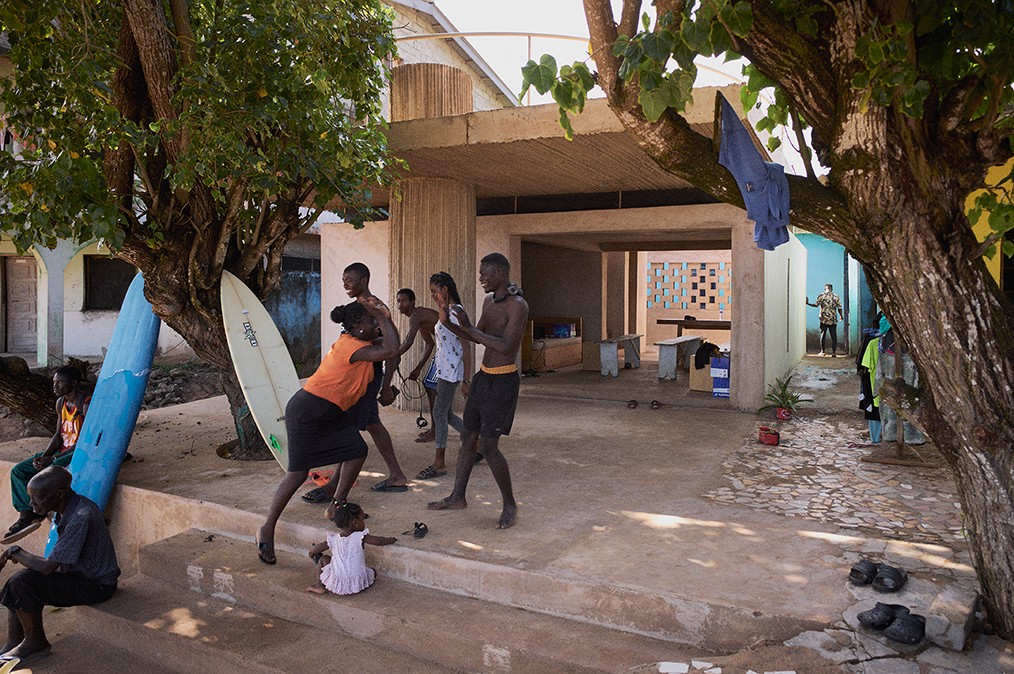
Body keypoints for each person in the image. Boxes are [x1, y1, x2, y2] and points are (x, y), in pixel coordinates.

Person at [256, 295, 400, 565]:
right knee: (297, 473)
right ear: (358, 326)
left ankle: (336, 505)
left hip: (331, 412)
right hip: (306, 412)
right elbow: (391, 350)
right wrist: (383, 316)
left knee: (357, 450)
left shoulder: (365, 343)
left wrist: (382, 316)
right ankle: (267, 527)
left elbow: (395, 346)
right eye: (371, 322)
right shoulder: (352, 347)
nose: (376, 326)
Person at [427, 253, 528, 529]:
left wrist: (469, 327)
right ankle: (457, 496)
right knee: (468, 437)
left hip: (504, 381)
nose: (481, 277)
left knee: (489, 446)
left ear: (500, 272)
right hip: (484, 378)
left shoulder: (518, 305)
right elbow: (474, 336)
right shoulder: (488, 301)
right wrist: (450, 323)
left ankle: (509, 503)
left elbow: (506, 346)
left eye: (485, 273)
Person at [300, 263, 410, 502]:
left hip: (366, 377)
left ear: (364, 280)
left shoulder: (374, 307)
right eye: (343, 279)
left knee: (350, 431)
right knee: (368, 425)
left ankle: (336, 490)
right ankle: (394, 474)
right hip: (358, 376)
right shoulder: (358, 307)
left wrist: (386, 384)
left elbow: (393, 347)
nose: (345, 284)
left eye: (349, 279)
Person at [0, 466, 119, 663]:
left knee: (23, 582)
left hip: (97, 585)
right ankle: (14, 642)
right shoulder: (67, 507)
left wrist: (15, 551)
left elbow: (48, 568)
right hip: (79, 575)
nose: (31, 504)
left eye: (37, 499)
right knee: (17, 582)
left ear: (59, 494)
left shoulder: (80, 516)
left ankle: (35, 643)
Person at [4, 366, 90, 544]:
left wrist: (52, 460)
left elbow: (85, 441)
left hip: (79, 451)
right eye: (54, 382)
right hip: (61, 451)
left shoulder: (85, 403)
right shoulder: (60, 403)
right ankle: (26, 515)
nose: (55, 386)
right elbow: (58, 435)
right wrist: (44, 456)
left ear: (73, 383)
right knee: (19, 471)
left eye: (59, 382)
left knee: (50, 472)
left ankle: (40, 511)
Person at [413, 272, 472, 480]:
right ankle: (474, 442)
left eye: (434, 291)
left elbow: (466, 345)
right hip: (444, 368)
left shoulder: (455, 313)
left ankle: (439, 463)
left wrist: (466, 379)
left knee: (439, 412)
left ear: (445, 290)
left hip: (452, 370)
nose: (432, 296)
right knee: (444, 413)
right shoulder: (446, 311)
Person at [306, 501, 396, 596]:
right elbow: (378, 541)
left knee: (323, 559)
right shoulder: (360, 536)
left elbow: (317, 548)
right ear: (355, 522)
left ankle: (319, 585)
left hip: (338, 583)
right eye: (362, 519)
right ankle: (360, 581)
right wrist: (390, 540)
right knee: (373, 571)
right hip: (357, 583)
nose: (363, 522)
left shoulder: (333, 539)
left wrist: (311, 553)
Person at [394, 288, 439, 443]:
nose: (400, 304)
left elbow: (408, 341)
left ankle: (436, 431)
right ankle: (437, 428)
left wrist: (392, 355)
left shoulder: (416, 316)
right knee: (431, 387)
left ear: (412, 302)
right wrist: (419, 368)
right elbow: (429, 343)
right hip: (446, 350)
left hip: (451, 350)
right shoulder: (418, 318)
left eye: (404, 300)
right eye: (398, 301)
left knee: (431, 386)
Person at [806, 284, 844, 357]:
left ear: (825, 289)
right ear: (832, 289)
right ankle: (834, 353)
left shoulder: (821, 295)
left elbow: (816, 305)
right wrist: (841, 316)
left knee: (823, 334)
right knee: (833, 336)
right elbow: (839, 307)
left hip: (823, 319)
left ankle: (822, 351)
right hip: (832, 319)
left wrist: (808, 303)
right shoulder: (836, 296)